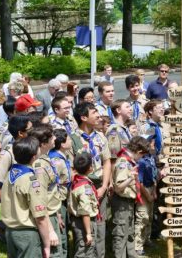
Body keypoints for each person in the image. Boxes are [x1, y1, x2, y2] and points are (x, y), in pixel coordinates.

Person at [1, 137, 52, 257]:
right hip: (27, 234)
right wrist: (47, 245)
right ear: (34, 157)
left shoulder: (9, 174)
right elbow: (40, 218)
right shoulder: (32, 181)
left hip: (10, 231)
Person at [71, 102, 111, 258]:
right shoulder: (74, 139)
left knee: (101, 225)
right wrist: (87, 187)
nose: (98, 115)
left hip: (101, 186)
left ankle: (99, 255)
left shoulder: (100, 136)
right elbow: (72, 168)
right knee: (85, 226)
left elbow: (106, 161)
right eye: (94, 112)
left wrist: (105, 186)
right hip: (84, 188)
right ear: (83, 117)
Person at [112, 136, 150, 258]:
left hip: (128, 202)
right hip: (121, 203)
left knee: (129, 232)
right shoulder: (123, 163)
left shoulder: (129, 161)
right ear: (139, 152)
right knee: (121, 233)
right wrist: (130, 178)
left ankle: (132, 254)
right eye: (142, 156)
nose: (141, 158)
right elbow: (118, 187)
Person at [28, 125, 62, 258]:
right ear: (43, 143)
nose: (55, 138)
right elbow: (39, 201)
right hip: (46, 216)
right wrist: (50, 230)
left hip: (53, 213)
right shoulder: (39, 166)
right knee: (54, 253)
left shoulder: (45, 158)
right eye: (51, 136)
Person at [68, 152, 99, 257]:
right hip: (84, 223)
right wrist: (88, 233)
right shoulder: (84, 187)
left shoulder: (77, 180)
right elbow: (85, 212)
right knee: (85, 251)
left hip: (78, 221)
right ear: (90, 168)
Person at [48, 129, 72, 258]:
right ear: (62, 144)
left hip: (62, 199)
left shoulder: (62, 156)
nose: (70, 141)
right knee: (61, 234)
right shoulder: (56, 161)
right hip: (57, 202)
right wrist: (57, 211)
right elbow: (54, 185)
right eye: (68, 139)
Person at [134, 135, 157, 256]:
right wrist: (147, 195)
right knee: (142, 218)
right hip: (144, 191)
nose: (154, 145)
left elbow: (154, 176)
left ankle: (146, 239)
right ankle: (138, 245)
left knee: (149, 217)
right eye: (152, 144)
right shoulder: (142, 161)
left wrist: (155, 191)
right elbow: (139, 181)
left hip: (151, 189)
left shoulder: (151, 158)